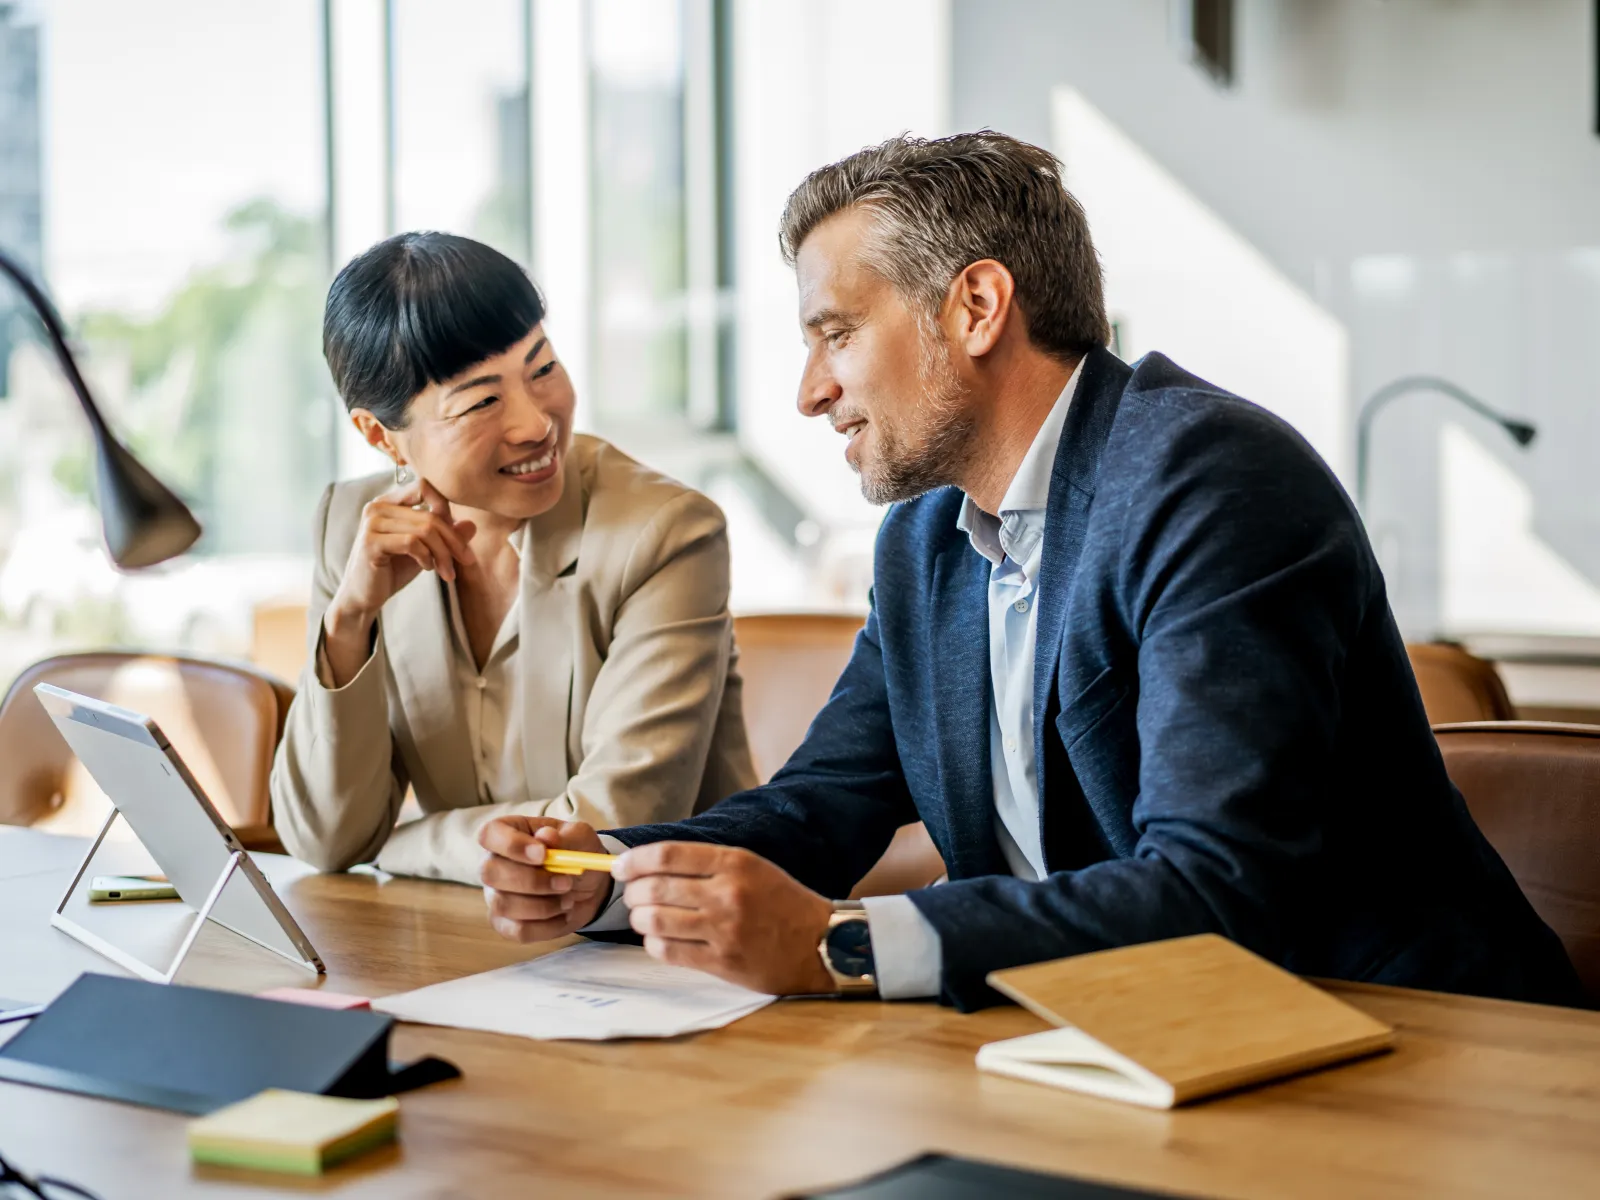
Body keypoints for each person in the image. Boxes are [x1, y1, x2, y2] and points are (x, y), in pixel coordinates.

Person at [474, 133, 1585, 1009]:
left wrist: (840, 947)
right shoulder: (927, 540)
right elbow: (824, 809)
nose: (808, 390)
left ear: (975, 307)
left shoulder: (1212, 481)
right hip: (1107, 1037)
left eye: (836, 334)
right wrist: (605, 877)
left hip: (1406, 1050)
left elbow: (1218, 890)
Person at [271, 232, 756, 885]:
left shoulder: (665, 533)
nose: (536, 423)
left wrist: (402, 845)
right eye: (482, 401)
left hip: (659, 944)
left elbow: (607, 832)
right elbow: (324, 840)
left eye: (543, 368)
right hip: (463, 942)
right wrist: (350, 619)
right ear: (381, 435)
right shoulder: (353, 532)